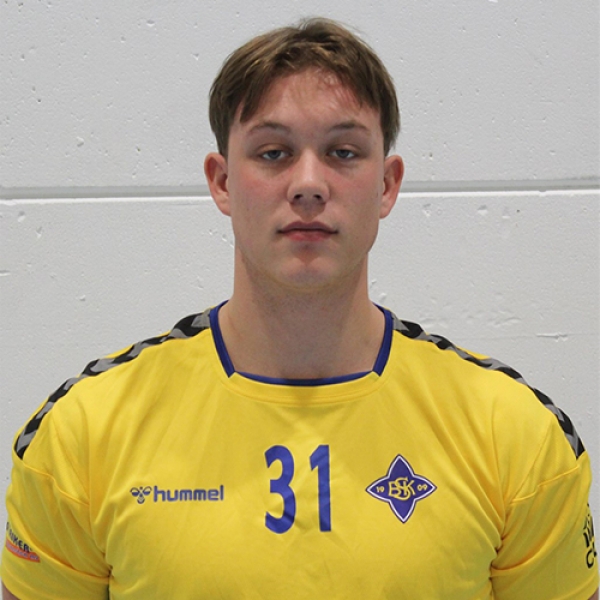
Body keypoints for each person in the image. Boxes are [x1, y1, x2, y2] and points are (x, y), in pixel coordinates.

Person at [1, 17, 598, 600]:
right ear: (222, 182)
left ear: (387, 184)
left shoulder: (513, 433)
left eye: (343, 152)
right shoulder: (83, 434)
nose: (308, 183)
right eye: (273, 152)